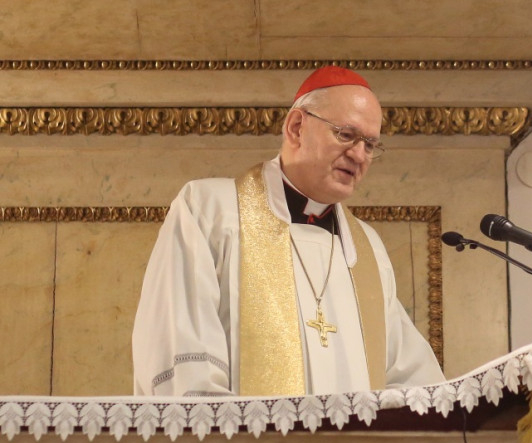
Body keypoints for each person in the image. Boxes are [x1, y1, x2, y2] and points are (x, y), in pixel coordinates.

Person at [132, 66, 445, 397]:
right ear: (297, 127)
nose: (358, 155)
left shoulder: (367, 249)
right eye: (346, 135)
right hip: (244, 432)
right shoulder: (211, 210)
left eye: (369, 145)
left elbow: (412, 379)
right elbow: (184, 354)